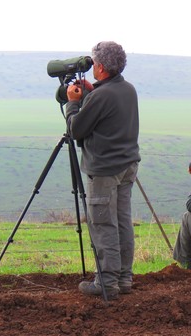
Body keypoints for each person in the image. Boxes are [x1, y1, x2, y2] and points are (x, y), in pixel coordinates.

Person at [66, 41, 141, 300]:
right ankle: (124, 278)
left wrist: (73, 103)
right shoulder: (127, 89)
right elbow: (105, 112)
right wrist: (90, 92)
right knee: (122, 221)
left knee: (103, 223)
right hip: (127, 165)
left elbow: (76, 130)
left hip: (105, 170)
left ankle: (106, 283)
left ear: (99, 66)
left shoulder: (101, 95)